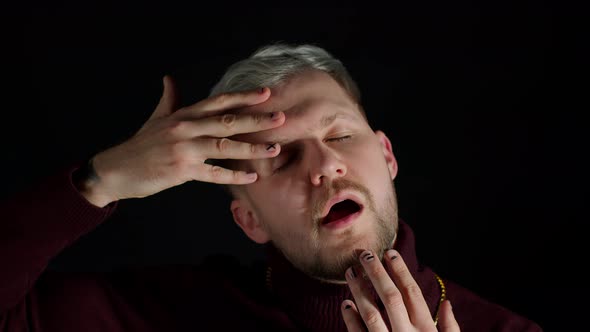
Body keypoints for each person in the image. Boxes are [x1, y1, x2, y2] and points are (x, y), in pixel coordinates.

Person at [0, 43, 543, 331]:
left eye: (341, 134)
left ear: (386, 154)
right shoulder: (167, 313)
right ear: (249, 219)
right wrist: (101, 179)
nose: (325, 165)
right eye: (280, 157)